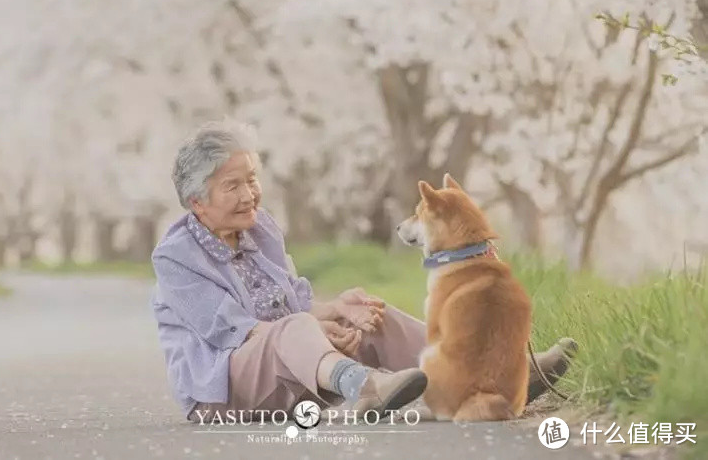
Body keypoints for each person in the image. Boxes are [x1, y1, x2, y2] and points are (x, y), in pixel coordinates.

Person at [150, 121, 576, 423]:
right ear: (197, 203)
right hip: (223, 393)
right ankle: (366, 387)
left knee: (372, 314)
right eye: (233, 186)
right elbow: (236, 330)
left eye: (252, 179)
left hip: (293, 368)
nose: (250, 194)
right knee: (298, 327)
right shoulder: (175, 257)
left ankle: (499, 374)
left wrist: (338, 311)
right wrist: (317, 330)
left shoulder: (259, 228)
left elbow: (291, 305)